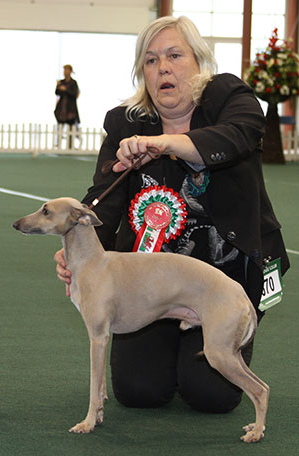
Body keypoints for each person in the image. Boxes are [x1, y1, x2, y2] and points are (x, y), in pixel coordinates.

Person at [55, 16, 289, 413]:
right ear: (142, 74)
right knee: (140, 391)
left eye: (174, 55)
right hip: (147, 286)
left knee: (210, 396)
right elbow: (104, 199)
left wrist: (168, 143)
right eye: (150, 60)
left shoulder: (232, 98)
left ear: (198, 61)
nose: (162, 67)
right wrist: (77, 249)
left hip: (224, 277)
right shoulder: (125, 123)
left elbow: (237, 137)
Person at [54, 64, 80, 148]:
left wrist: (65, 90)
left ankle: (70, 145)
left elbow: (74, 94)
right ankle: (59, 144)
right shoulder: (61, 82)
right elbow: (57, 92)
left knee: (71, 128)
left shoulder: (73, 83)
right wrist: (58, 86)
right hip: (62, 109)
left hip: (70, 109)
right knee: (60, 127)